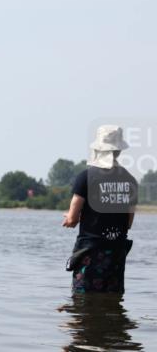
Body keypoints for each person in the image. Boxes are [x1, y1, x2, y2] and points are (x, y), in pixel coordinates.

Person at [63, 125, 138, 293]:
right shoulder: (130, 179)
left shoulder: (85, 177)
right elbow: (129, 222)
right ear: (118, 151)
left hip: (90, 252)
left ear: (97, 149)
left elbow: (72, 219)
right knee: (113, 303)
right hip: (117, 254)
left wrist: (69, 218)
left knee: (83, 304)